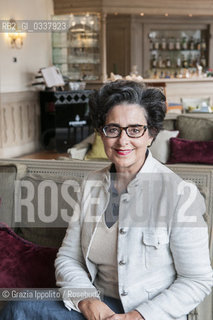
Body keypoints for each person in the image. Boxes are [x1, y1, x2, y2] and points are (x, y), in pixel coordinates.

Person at [0, 80, 212, 320]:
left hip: (152, 313)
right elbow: (69, 257)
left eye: (135, 129)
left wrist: (137, 316)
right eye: (113, 129)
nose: (123, 141)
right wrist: (87, 300)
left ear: (151, 135)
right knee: (19, 308)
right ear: (101, 133)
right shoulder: (91, 184)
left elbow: (196, 280)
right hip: (99, 307)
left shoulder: (180, 194)